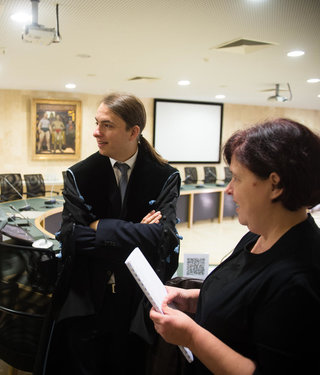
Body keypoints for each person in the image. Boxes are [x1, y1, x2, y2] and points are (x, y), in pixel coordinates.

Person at [150, 118, 320, 374]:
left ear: (275, 184)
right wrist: (191, 299)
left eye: (237, 178)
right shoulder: (260, 234)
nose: (228, 189)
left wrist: (192, 337)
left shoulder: (299, 280)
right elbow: (245, 304)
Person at [38, 93, 181, 374]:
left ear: (133, 131)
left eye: (107, 125)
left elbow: (165, 241)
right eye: (97, 123)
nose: (96, 132)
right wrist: (140, 232)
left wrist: (99, 227)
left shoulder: (165, 176)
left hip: (137, 299)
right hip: (88, 297)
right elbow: (71, 239)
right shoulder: (79, 174)